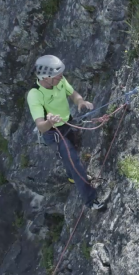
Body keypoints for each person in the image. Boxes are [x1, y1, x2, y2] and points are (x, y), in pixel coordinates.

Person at [27, 55, 105, 210]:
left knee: (73, 151)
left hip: (67, 123)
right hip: (54, 132)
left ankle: (71, 177)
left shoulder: (59, 81)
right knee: (74, 161)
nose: (61, 77)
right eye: (57, 75)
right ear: (46, 77)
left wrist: (80, 102)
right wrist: (50, 122)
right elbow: (41, 126)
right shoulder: (35, 95)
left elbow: (73, 93)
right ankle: (91, 201)